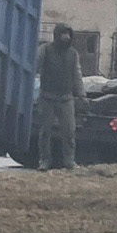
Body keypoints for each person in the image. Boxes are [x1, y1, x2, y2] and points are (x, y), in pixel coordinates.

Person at [35, 23, 86, 170]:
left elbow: (77, 74)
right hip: (47, 97)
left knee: (69, 131)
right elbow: (35, 65)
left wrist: (82, 94)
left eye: (68, 34)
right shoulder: (45, 50)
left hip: (66, 98)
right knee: (45, 131)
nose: (66, 37)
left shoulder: (73, 54)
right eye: (63, 34)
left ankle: (69, 161)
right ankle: (44, 161)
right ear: (56, 35)